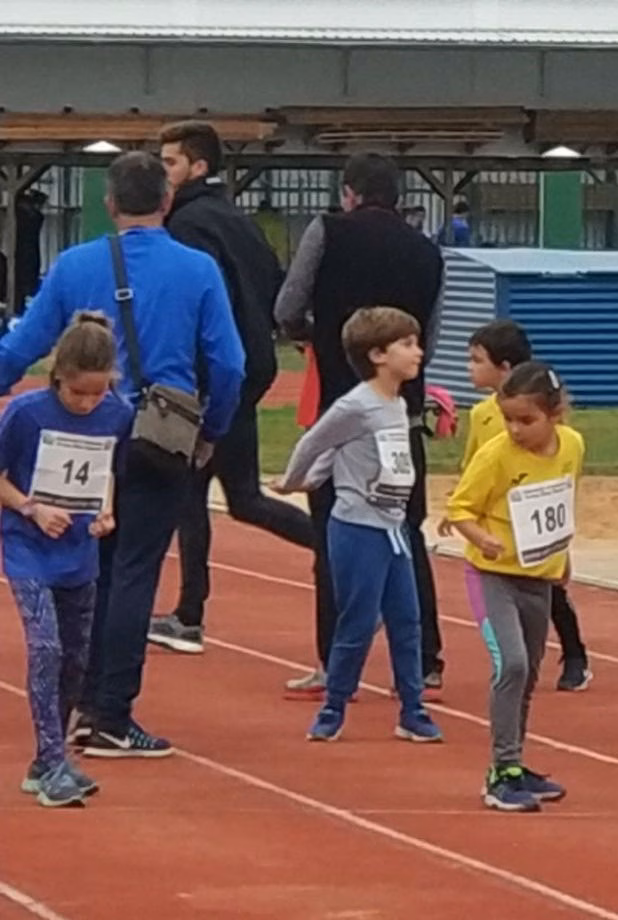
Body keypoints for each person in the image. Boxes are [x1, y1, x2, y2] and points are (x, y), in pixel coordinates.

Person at [0, 151, 245, 758]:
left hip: (83, 435)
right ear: (167, 201)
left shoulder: (75, 264)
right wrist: (211, 429)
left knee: (84, 567)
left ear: (110, 204)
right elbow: (230, 363)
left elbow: (24, 345)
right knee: (135, 570)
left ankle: (73, 697)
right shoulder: (198, 269)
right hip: (160, 438)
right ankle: (110, 712)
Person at [274, 153, 448, 700]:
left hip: (343, 406)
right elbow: (430, 335)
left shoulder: (328, 231)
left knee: (335, 534)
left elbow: (287, 305)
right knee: (405, 530)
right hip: (402, 412)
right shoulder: (427, 250)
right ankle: (425, 659)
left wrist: (315, 334)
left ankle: (335, 664)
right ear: (400, 198)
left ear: (348, 193)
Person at [148, 120, 314, 656]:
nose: (162, 173)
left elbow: (198, 302)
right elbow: (276, 286)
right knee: (232, 497)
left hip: (215, 373)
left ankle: (190, 615)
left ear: (198, 167)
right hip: (251, 365)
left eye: (170, 163)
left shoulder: (186, 225)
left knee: (201, 493)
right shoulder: (240, 221)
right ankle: (189, 612)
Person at [271, 306, 443, 745]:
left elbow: (344, 453)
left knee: (407, 620)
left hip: (393, 528)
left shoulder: (397, 404)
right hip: (357, 529)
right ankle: (333, 708)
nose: (419, 352)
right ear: (377, 355)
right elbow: (316, 441)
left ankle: (413, 710)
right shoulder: (355, 405)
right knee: (358, 622)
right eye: (408, 344)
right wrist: (294, 481)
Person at [1, 314, 133, 805]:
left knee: (76, 658)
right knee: (46, 648)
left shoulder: (117, 414)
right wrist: (31, 508)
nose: (86, 403)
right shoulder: (25, 414)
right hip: (27, 547)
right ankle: (55, 761)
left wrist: (106, 511)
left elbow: (106, 471)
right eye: (77, 393)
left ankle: (45, 763)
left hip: (80, 550)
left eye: (96, 394)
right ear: (58, 377)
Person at [445, 360, 583, 811]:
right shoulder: (496, 456)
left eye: (526, 420)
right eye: (508, 419)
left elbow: (563, 499)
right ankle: (500, 772)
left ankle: (516, 763)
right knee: (513, 664)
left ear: (554, 414)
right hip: (493, 577)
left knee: (529, 673)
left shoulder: (572, 446)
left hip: (539, 579)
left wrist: (563, 554)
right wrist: (482, 538)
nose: (515, 430)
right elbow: (459, 509)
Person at [448, 318, 594, 692]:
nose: (469, 368)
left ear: (505, 367)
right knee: (511, 637)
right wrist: (465, 513)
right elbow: (473, 463)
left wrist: (563, 545)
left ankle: (574, 653)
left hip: (537, 524)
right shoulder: (482, 415)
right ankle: (515, 674)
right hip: (499, 522)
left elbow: (562, 489)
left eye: (477, 360)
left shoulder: (566, 439)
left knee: (552, 592)